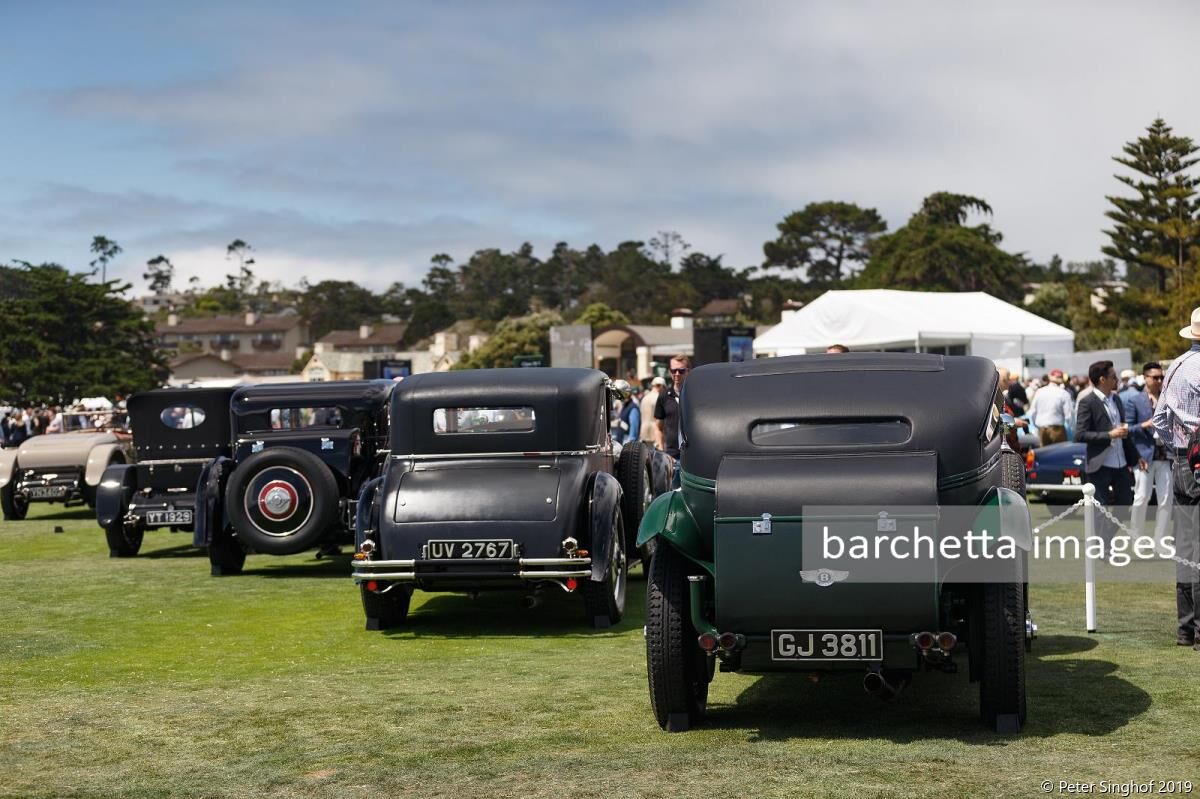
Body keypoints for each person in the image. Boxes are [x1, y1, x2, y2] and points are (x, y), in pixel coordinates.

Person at [1152, 307, 1200, 650]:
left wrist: (1180, 449)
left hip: (1183, 459)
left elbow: (1159, 421)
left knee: (1186, 546)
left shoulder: (1176, 366)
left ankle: (1186, 628)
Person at [1075, 360, 1143, 547]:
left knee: (1125, 502)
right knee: (1100, 509)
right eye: (1114, 376)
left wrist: (1137, 457)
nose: (1117, 379)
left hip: (1121, 462)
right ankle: (1103, 547)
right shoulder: (1087, 402)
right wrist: (1109, 435)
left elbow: (1123, 431)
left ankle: (1105, 540)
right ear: (1102, 379)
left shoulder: (1117, 399)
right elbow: (1079, 434)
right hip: (1100, 463)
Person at [1126, 362, 1173, 548]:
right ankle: (1136, 538)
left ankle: (1160, 540)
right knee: (1141, 497)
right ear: (1145, 378)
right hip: (1144, 456)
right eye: (1155, 377)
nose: (1159, 380)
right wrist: (1144, 425)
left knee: (1165, 499)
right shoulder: (1135, 400)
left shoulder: (1168, 398)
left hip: (1165, 455)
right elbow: (1128, 429)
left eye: (1161, 377)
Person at [655, 354, 689, 485]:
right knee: (671, 496)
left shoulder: (695, 395)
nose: (677, 374)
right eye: (673, 370)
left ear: (688, 371)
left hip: (692, 457)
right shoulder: (664, 396)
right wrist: (663, 453)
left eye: (681, 371)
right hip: (671, 457)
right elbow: (658, 427)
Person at [1028, 368, 1074, 445]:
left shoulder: (1039, 392)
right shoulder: (1064, 393)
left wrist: (1038, 427)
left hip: (1042, 429)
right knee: (1059, 454)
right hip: (1057, 430)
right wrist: (1072, 431)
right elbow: (1069, 416)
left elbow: (1032, 412)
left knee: (1043, 455)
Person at [641, 376, 664, 444]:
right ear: (661, 386)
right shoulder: (659, 398)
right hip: (655, 433)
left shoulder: (644, 398)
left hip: (644, 432)